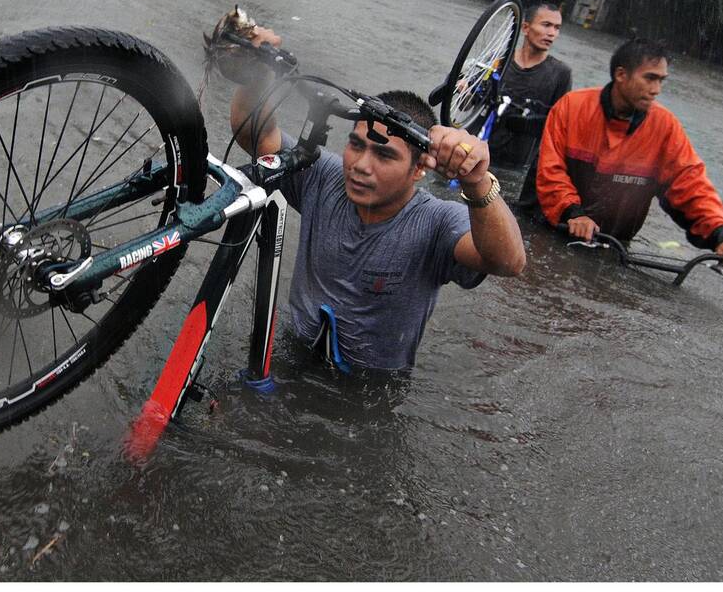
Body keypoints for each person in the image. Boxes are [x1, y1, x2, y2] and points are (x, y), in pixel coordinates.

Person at [224, 23, 527, 371]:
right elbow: (254, 136)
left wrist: (476, 182)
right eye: (356, 145)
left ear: (418, 170)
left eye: (384, 156)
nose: (361, 166)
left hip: (371, 392)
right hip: (291, 359)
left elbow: (508, 262)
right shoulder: (325, 178)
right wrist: (255, 72)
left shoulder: (437, 221)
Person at [536, 38, 723, 270]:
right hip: (551, 230)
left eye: (661, 80)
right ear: (621, 75)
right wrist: (574, 214)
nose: (656, 90)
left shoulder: (665, 127)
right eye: (650, 78)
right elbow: (550, 171)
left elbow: (691, 185)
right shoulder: (572, 107)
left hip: (611, 246)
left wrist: (722, 237)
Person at [492, 3, 572, 211]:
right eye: (546, 25)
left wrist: (529, 125)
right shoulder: (500, 61)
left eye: (557, 28)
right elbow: (467, 106)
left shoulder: (560, 74)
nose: (552, 33)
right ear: (526, 28)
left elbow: (559, 129)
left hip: (519, 168)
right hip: (483, 154)